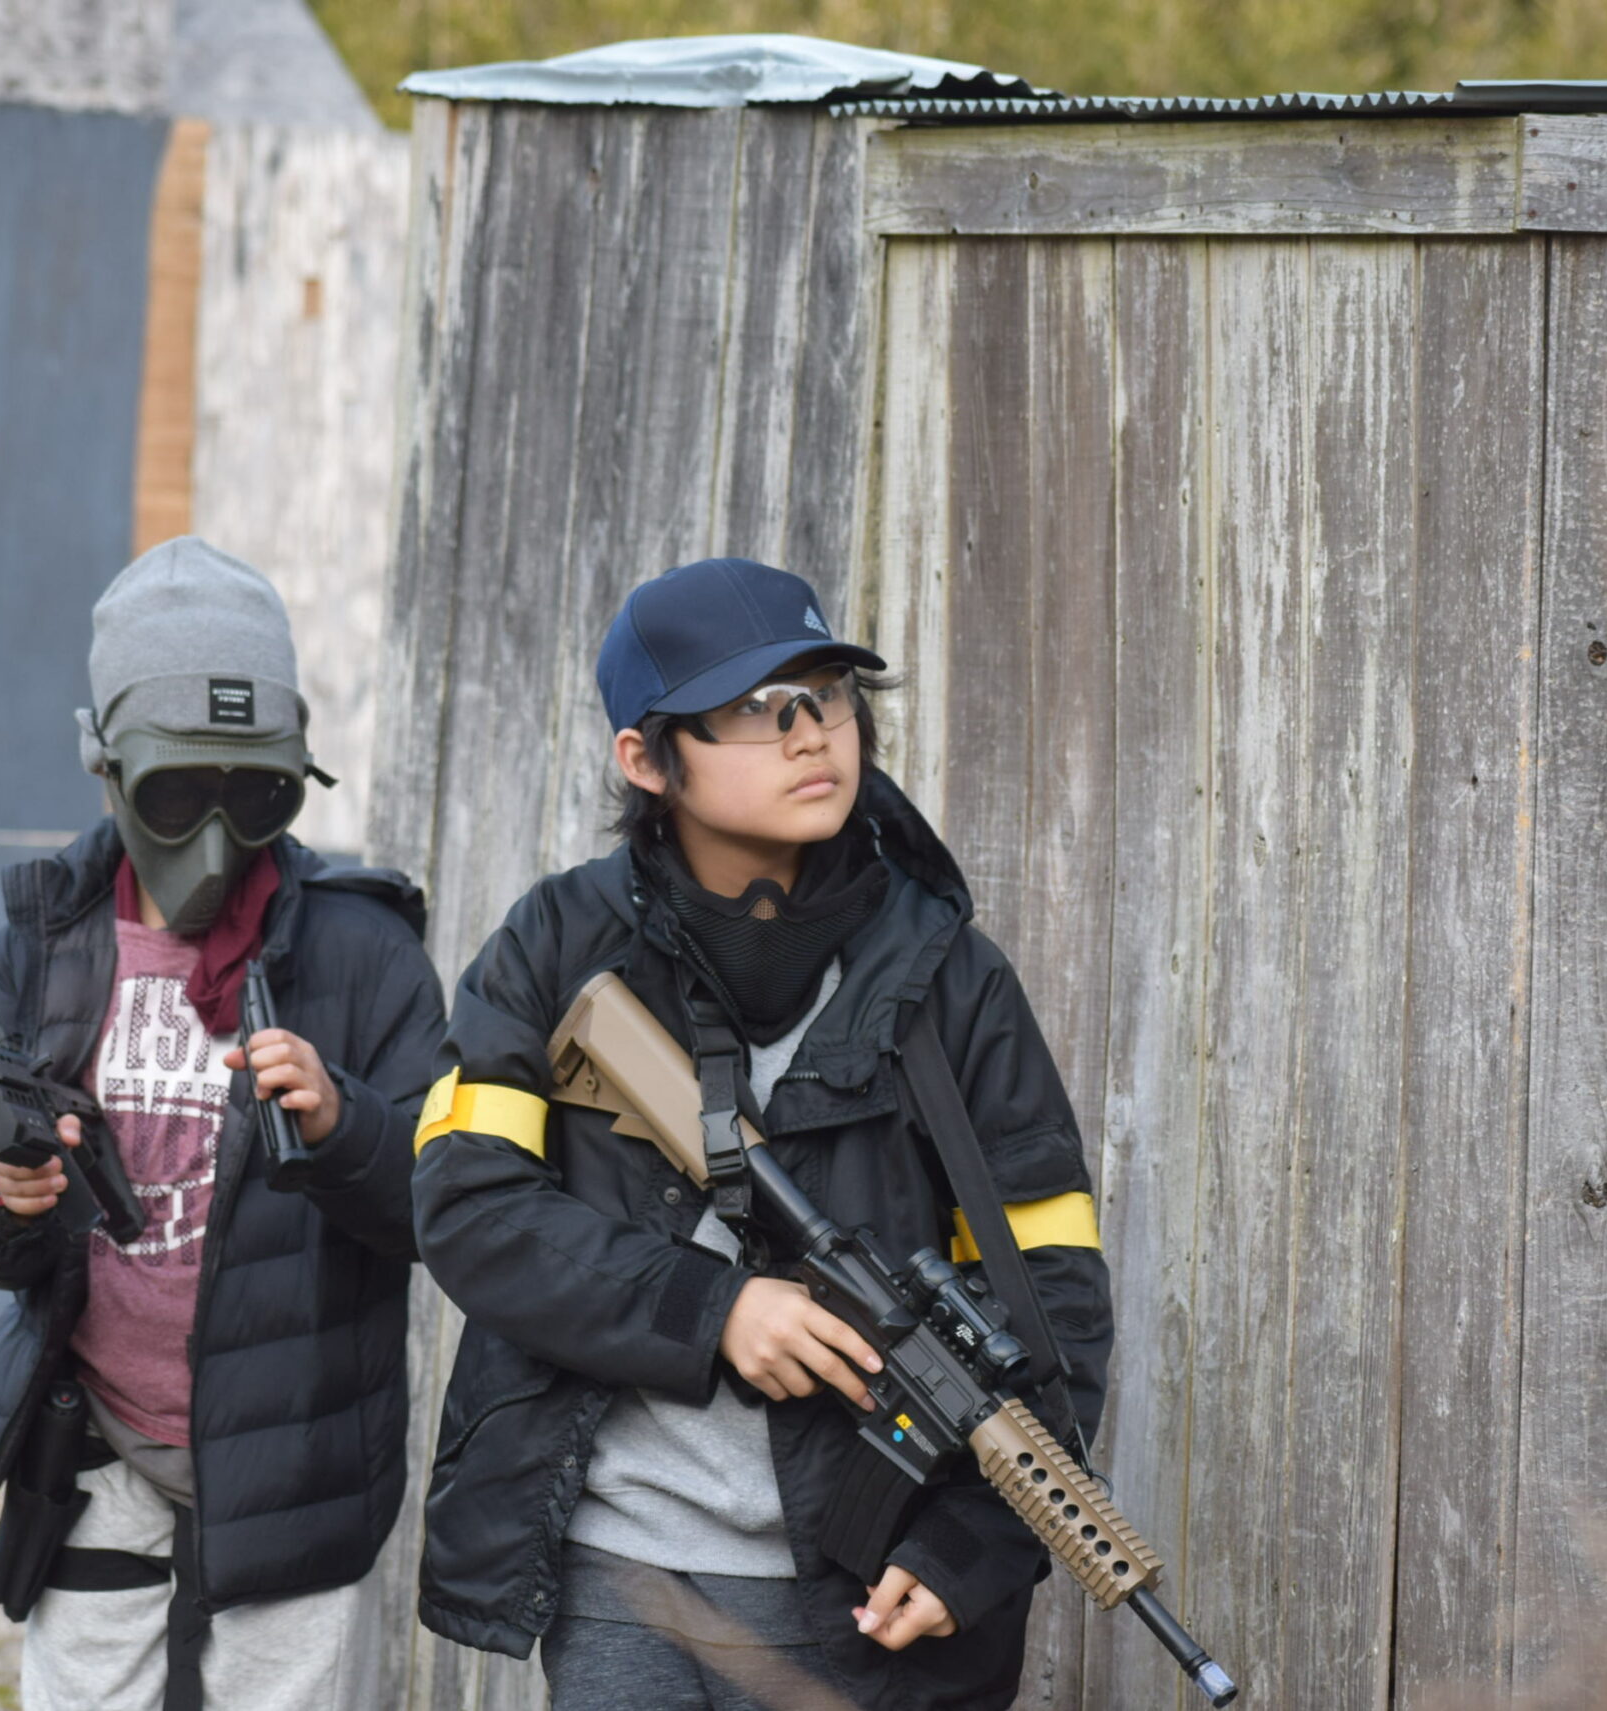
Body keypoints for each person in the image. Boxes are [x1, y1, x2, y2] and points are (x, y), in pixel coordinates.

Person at [411, 557, 1114, 1711]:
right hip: (623, 1576)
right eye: (753, 708)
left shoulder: (954, 980)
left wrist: (971, 1547)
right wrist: (714, 1309)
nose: (809, 735)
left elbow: (1052, 1290)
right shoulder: (554, 944)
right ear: (646, 758)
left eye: (825, 695)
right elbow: (469, 1207)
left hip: (863, 1599)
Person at [0, 536, 445, 1711]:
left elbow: (450, 1203)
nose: (215, 838)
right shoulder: (47, 940)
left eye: (254, 795)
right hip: (93, 1437)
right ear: (109, 768)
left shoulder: (365, 953)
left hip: (296, 1457)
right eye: (178, 794)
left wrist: (342, 1123)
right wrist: (9, 1200)